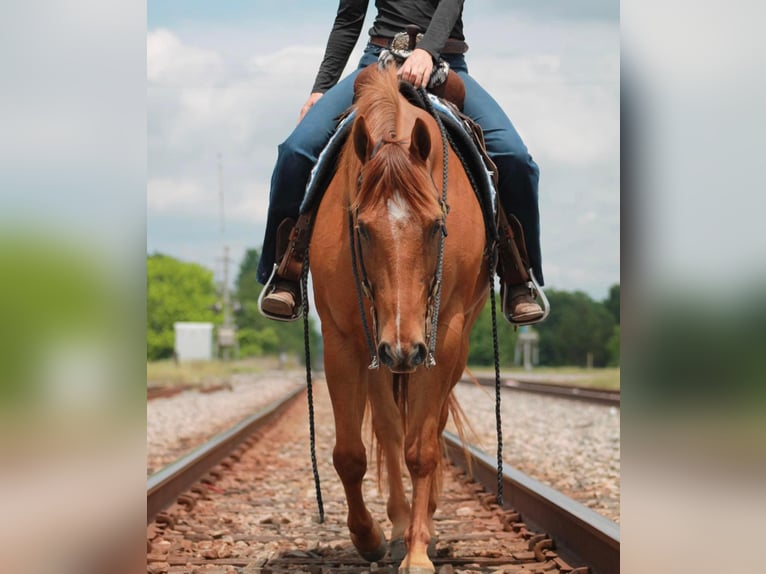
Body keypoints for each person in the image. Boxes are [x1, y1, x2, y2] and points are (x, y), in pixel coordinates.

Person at [257, 0, 545, 324]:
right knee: (295, 150)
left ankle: (518, 275)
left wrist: (428, 51)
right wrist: (321, 88)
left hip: (447, 64)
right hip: (378, 61)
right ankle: (285, 271)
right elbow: (348, 20)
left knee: (515, 157)